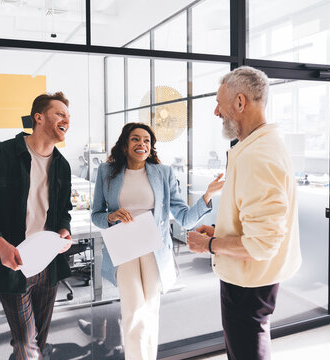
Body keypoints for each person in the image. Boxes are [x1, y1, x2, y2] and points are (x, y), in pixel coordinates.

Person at [188, 66, 301, 360]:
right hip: (253, 277)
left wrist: (209, 245)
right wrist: (220, 233)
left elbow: (261, 244)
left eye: (218, 102)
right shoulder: (260, 146)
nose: (216, 111)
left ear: (240, 102)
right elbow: (257, 222)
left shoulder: (257, 155)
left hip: (249, 282)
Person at [91, 122, 224, 360]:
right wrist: (111, 216)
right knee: (133, 311)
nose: (141, 144)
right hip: (124, 248)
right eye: (135, 139)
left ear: (151, 147)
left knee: (150, 312)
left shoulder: (163, 173)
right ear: (124, 144)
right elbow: (96, 216)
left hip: (153, 248)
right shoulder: (106, 172)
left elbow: (183, 217)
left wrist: (207, 196)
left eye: (146, 141)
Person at [0, 92, 73, 360]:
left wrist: (64, 229)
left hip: (47, 263)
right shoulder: (1, 155)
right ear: (39, 117)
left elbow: (63, 211)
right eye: (60, 114)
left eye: (69, 116)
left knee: (38, 342)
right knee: (25, 342)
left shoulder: (62, 166)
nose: (67, 120)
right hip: (14, 263)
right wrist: (1, 246)